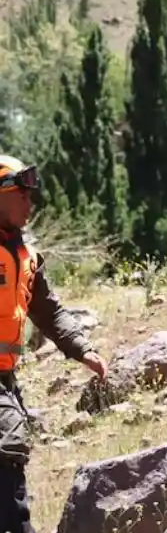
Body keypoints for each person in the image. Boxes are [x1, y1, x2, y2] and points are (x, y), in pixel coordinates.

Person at [0, 155, 108, 533]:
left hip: (6, 381)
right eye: (23, 196)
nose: (31, 205)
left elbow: (47, 310)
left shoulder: (23, 256)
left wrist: (83, 349)